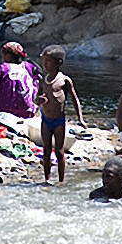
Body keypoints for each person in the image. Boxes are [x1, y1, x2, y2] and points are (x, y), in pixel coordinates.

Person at [34, 45, 86, 183]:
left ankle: (61, 180)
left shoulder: (64, 80)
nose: (44, 64)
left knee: (59, 151)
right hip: (46, 120)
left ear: (59, 63)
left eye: (48, 61)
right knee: (46, 150)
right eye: (43, 61)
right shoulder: (42, 80)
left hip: (59, 121)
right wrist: (38, 101)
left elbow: (75, 99)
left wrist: (80, 118)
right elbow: (36, 99)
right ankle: (47, 179)